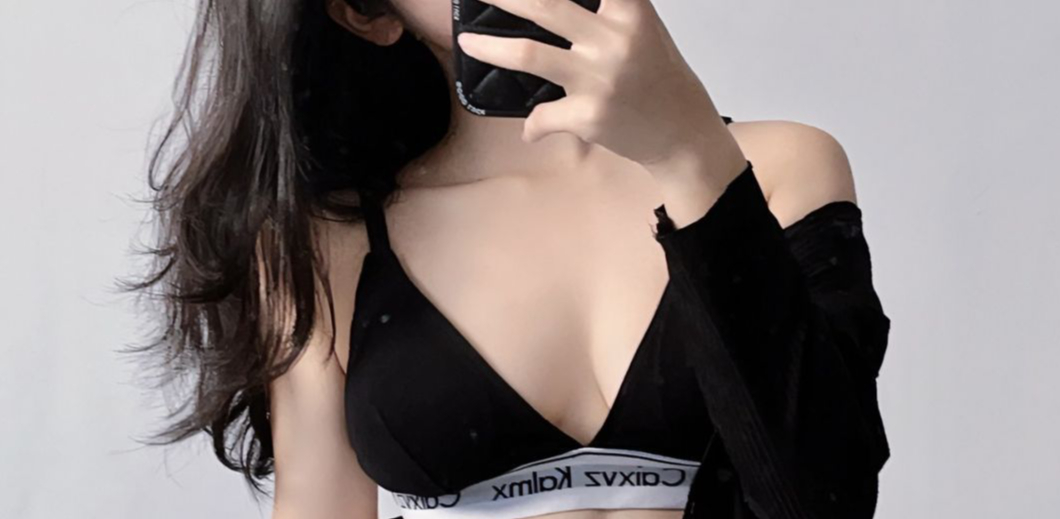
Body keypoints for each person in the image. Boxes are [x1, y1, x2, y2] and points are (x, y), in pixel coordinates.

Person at [123, 0, 892, 518]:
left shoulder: (780, 169)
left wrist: (689, 154)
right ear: (367, 13)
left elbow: (820, 500)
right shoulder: (330, 242)